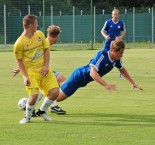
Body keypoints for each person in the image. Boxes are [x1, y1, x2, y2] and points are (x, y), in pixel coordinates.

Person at [55, 40, 143, 103]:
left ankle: (56, 78)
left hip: (84, 81)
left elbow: (123, 70)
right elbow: (92, 73)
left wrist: (132, 83)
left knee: (61, 90)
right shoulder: (102, 55)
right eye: (120, 53)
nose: (121, 55)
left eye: (122, 53)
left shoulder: (116, 60)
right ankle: (53, 77)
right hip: (79, 77)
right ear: (112, 51)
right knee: (58, 98)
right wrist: (106, 85)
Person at [13, 14, 59, 124]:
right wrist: (25, 76)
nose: (37, 27)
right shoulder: (19, 43)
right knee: (33, 97)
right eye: (36, 25)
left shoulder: (40, 35)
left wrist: (46, 65)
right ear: (30, 26)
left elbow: (46, 49)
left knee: (55, 92)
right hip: (31, 73)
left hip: (44, 70)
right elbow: (19, 61)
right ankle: (27, 117)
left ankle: (42, 111)